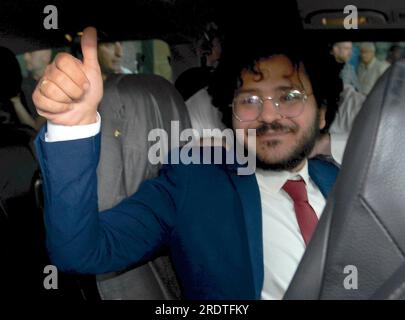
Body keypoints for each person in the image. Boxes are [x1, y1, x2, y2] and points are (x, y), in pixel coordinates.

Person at [34, 27, 344, 300]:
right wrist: (70, 129)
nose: (269, 115)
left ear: (321, 112)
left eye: (289, 96)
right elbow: (79, 252)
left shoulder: (342, 179)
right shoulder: (194, 182)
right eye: (249, 100)